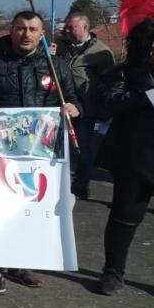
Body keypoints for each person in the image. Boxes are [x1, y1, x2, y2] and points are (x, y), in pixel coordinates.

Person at [0, 10, 82, 298]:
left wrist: (74, 108)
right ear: (11, 31)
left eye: (32, 29)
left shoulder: (56, 66)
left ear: (42, 34)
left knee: (32, 211)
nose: (26, 34)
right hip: (0, 152)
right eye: (20, 28)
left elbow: (75, 99)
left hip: (42, 154)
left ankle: (19, 263)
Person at [94, 18, 154, 295]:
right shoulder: (124, 73)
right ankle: (113, 272)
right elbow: (110, 103)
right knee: (125, 218)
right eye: (152, 48)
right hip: (135, 159)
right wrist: (150, 96)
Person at [54, 12, 115, 199]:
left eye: (72, 27)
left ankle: (81, 184)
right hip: (59, 103)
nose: (67, 30)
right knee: (56, 146)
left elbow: (111, 80)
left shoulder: (100, 52)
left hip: (85, 107)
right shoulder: (61, 47)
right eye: (66, 27)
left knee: (82, 148)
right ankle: (56, 182)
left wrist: (103, 106)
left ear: (85, 28)